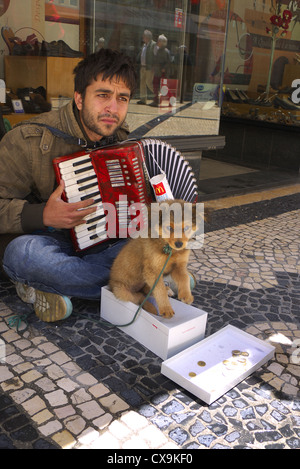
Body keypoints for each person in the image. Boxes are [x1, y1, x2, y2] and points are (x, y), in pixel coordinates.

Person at [0, 48, 137, 323]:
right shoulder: (26, 140)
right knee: (23, 254)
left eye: (122, 98)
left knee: (151, 240)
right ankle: (141, 283)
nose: (113, 108)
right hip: (46, 240)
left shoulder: (122, 140)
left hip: (99, 241)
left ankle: (55, 286)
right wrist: (43, 215)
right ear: (78, 98)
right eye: (102, 95)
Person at [150, 34, 171, 107]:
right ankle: (156, 100)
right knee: (155, 86)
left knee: (163, 87)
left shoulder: (166, 51)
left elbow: (168, 62)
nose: (157, 42)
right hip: (157, 71)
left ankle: (163, 101)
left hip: (162, 73)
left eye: (159, 41)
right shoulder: (158, 50)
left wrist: (164, 68)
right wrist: (153, 67)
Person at [136, 30, 156, 105]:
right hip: (143, 67)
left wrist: (154, 66)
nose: (142, 38)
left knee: (149, 83)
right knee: (142, 83)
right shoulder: (144, 45)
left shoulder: (153, 44)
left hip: (149, 68)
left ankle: (159, 96)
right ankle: (143, 99)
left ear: (147, 37)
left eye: (143, 36)